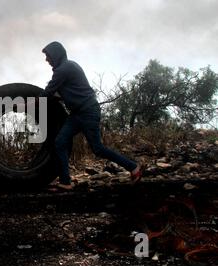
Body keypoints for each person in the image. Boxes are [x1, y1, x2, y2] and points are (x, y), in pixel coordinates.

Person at [39, 41, 143, 190]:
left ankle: (134, 167)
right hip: (76, 114)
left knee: (98, 149)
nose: (47, 60)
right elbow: (63, 92)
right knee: (60, 142)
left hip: (88, 112)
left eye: (48, 56)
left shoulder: (63, 69)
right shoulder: (68, 67)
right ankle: (66, 182)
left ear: (56, 55)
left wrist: (24, 104)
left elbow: (46, 94)